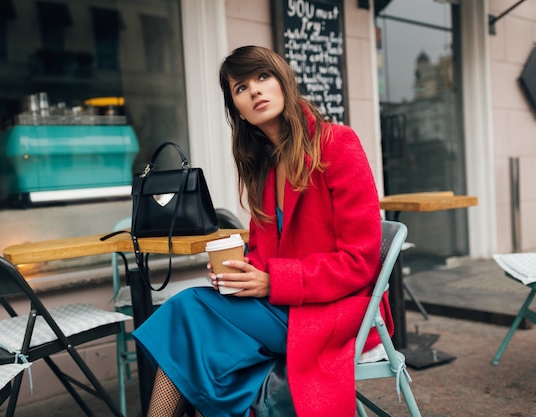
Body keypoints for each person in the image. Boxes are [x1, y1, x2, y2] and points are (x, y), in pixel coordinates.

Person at [132, 45, 392, 417]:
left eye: (262, 77)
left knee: (186, 313)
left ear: (283, 81)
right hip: (285, 304)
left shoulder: (337, 144)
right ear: (236, 110)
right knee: (193, 335)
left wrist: (273, 281)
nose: (254, 90)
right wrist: (243, 272)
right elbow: (267, 253)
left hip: (337, 309)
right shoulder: (266, 167)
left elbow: (360, 262)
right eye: (240, 88)